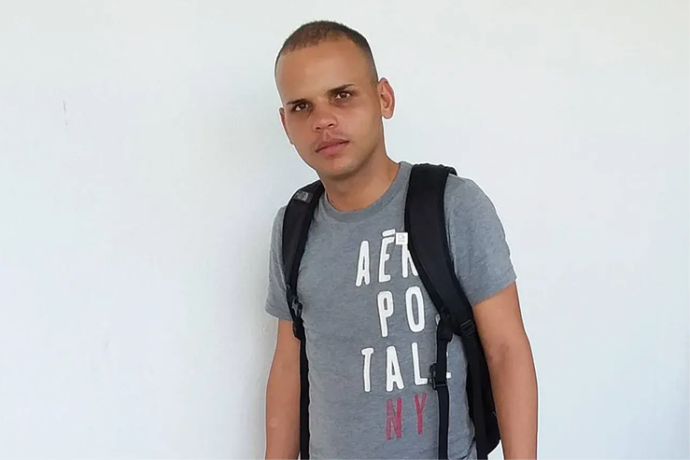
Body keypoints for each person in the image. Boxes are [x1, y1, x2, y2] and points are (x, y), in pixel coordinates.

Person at [263, 20, 538, 460]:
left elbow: (506, 349)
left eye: (342, 95)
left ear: (384, 99)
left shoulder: (452, 204)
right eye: (301, 106)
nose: (323, 120)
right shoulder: (293, 226)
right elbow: (288, 366)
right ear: (285, 123)